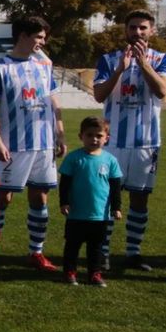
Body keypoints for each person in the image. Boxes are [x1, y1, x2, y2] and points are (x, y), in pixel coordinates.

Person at [91, 10, 166, 271]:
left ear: (152, 31)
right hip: (112, 142)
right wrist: (120, 70)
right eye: (133, 27)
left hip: (145, 142)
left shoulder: (162, 59)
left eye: (143, 28)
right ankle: (101, 252)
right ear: (125, 30)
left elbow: (162, 92)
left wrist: (143, 63)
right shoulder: (108, 59)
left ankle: (133, 253)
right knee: (105, 198)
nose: (137, 32)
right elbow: (99, 95)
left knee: (139, 199)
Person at [0, 15, 64, 272]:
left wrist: (59, 134)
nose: (42, 41)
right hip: (13, 145)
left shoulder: (44, 66)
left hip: (43, 144)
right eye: (39, 36)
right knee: (1, 198)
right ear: (22, 35)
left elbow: (53, 102)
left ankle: (36, 252)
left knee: (40, 197)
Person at [57, 116, 123, 286]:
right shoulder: (74, 158)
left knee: (96, 248)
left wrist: (116, 207)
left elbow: (115, 187)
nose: (94, 139)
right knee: (72, 246)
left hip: (100, 215)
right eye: (89, 135)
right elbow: (64, 183)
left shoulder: (110, 160)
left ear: (106, 138)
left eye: (99, 136)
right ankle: (70, 272)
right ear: (81, 136)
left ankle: (95, 274)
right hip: (76, 213)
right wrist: (64, 202)